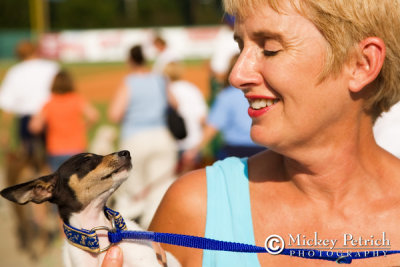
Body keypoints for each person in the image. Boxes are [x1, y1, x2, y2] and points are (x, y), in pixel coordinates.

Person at [102, 0, 400, 266]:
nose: (237, 75)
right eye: (240, 46)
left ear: (362, 64)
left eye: (270, 48)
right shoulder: (198, 209)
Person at [108, 45, 177, 229]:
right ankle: (156, 231)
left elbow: (114, 114)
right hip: (162, 137)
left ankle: (132, 233)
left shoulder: (129, 82)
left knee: (133, 192)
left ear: (130, 60)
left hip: (135, 138)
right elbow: (175, 103)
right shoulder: (159, 79)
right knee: (159, 190)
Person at [184, 54, 264, 164]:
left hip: (235, 152)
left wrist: (194, 150)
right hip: (264, 150)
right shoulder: (266, 93)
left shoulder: (227, 95)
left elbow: (212, 126)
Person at [29, 70, 99, 171]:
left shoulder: (49, 103)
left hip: (55, 149)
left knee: (58, 183)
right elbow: (94, 116)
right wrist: (83, 126)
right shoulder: (76, 99)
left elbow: (35, 127)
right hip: (77, 148)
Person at [0, 40, 59, 157]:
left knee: (27, 157)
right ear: (36, 50)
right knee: (51, 155)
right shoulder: (52, 67)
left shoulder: (15, 72)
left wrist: (4, 130)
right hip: (49, 116)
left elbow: (6, 104)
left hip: (26, 119)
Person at [163, 62, 208, 173]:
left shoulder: (164, 91)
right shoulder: (192, 89)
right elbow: (203, 118)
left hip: (170, 144)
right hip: (193, 142)